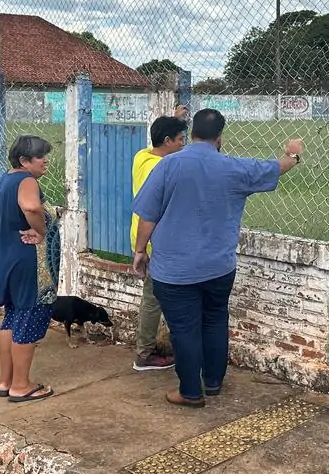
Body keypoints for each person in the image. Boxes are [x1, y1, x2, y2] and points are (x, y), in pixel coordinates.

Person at [132, 108, 303, 407]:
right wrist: (293, 155)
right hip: (219, 267)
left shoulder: (167, 166)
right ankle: (212, 382)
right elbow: (274, 168)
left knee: (184, 329)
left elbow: (148, 215)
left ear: (192, 132)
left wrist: (139, 251)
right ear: (220, 136)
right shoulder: (233, 168)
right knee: (214, 320)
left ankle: (189, 391)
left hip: (174, 269)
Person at [0, 134, 58, 403]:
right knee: (31, 314)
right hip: (28, 261)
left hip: (9, 258)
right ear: (25, 160)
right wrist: (40, 231)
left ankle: (6, 381)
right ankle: (21, 385)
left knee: (12, 317)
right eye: (40, 156)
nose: (46, 161)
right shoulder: (26, 181)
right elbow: (31, 207)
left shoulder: (7, 179)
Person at [129, 114, 187, 371]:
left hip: (141, 234)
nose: (184, 144)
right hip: (155, 239)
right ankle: (145, 353)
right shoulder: (162, 168)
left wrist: (172, 120)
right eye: (180, 139)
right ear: (167, 141)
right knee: (155, 298)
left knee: (152, 296)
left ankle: (148, 348)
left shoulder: (142, 157)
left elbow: (152, 144)